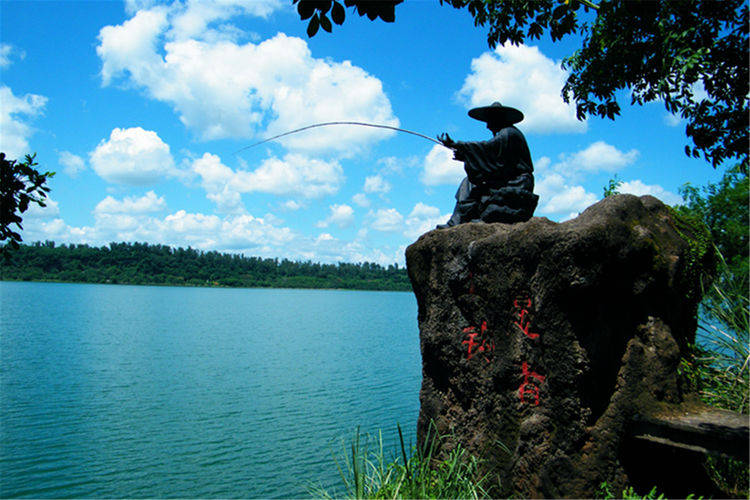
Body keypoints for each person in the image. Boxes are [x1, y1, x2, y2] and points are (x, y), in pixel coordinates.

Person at [437, 102, 539, 227]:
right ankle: (457, 220)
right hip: (505, 177)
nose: (487, 126)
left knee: (472, 184)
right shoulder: (505, 134)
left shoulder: (509, 134)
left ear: (498, 119)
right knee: (468, 182)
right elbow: (493, 160)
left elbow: (487, 149)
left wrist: (457, 145)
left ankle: (468, 219)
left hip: (517, 181)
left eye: (489, 121)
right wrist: (466, 157)